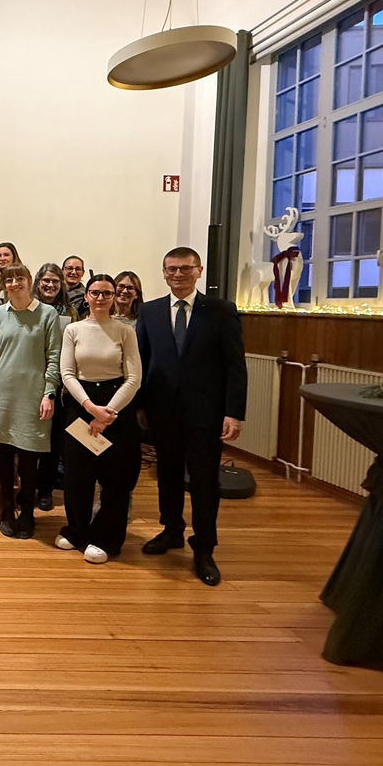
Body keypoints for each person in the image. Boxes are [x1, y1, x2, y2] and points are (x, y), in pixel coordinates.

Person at [136, 246, 247, 586]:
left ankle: (204, 546)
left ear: (199, 271)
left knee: (203, 481)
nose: (178, 275)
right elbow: (141, 361)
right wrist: (139, 406)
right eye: (171, 269)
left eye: (185, 269)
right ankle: (171, 530)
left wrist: (234, 412)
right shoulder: (150, 312)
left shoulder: (220, 311)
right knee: (167, 475)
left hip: (205, 413)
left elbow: (235, 366)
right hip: (162, 410)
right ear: (164, 273)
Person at [56, 274, 143, 564]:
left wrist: (107, 413)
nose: (101, 298)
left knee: (115, 479)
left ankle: (106, 537)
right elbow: (67, 373)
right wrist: (90, 408)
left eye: (107, 293)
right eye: (95, 292)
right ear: (87, 296)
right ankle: (76, 530)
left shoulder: (124, 331)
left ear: (115, 296)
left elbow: (134, 378)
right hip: (82, 405)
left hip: (117, 406)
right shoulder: (73, 330)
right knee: (78, 476)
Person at [0, 263, 60, 539]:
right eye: (9, 279)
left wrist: (49, 391)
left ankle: (27, 511)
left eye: (20, 278)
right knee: (4, 453)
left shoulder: (48, 314)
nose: (15, 283)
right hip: (3, 393)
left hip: (34, 395)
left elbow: (54, 356)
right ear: (4, 284)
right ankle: (5, 509)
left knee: (29, 457)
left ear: (30, 281)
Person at [33, 261, 75, 512]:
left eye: (55, 282)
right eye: (46, 280)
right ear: (38, 283)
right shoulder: (30, 308)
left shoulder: (70, 310)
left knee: (52, 441)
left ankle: (45, 490)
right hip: (31, 381)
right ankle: (28, 486)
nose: (50, 285)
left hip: (59, 386)